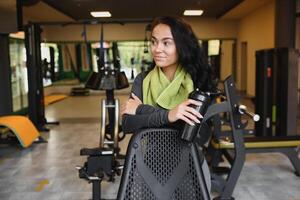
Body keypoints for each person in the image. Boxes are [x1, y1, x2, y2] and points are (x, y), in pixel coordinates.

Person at [121, 16, 216, 133]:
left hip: (189, 151)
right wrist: (169, 115)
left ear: (182, 46)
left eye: (166, 43)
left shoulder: (198, 79)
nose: (157, 49)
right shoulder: (143, 79)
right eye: (154, 42)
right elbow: (127, 125)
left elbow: (199, 131)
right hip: (148, 150)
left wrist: (140, 109)